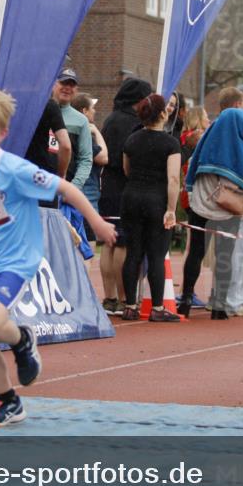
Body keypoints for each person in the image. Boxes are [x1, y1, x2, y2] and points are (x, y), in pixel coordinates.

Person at [0, 88, 116, 427]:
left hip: (17, 261)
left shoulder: (14, 170)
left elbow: (65, 189)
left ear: (2, 134)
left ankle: (23, 339)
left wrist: (96, 221)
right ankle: (8, 401)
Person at [180, 92, 243, 319]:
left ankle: (186, 299)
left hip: (203, 197)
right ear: (240, 104)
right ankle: (219, 306)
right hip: (231, 201)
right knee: (225, 254)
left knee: (196, 251)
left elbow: (195, 159)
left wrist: (189, 187)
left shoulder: (211, 130)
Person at [119, 94, 182, 322]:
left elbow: (127, 168)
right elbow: (173, 179)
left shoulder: (132, 139)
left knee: (133, 252)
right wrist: (171, 209)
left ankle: (130, 306)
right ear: (163, 114)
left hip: (132, 196)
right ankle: (157, 308)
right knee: (156, 254)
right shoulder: (170, 143)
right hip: (156, 199)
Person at [98, 77, 153, 315]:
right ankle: (123, 297)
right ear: (140, 100)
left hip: (107, 186)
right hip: (124, 186)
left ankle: (109, 297)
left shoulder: (110, 119)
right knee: (122, 244)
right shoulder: (134, 124)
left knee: (108, 245)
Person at [52, 68, 92, 191]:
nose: (68, 87)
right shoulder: (38, 112)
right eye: (64, 83)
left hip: (64, 190)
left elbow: (85, 159)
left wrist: (73, 188)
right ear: (54, 84)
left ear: (76, 89)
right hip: (38, 185)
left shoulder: (81, 120)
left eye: (72, 84)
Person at [71, 93, 108, 225]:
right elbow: (103, 157)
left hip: (74, 185)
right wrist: (96, 132)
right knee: (88, 234)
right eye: (92, 108)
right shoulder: (84, 133)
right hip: (87, 188)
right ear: (84, 111)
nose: (95, 111)